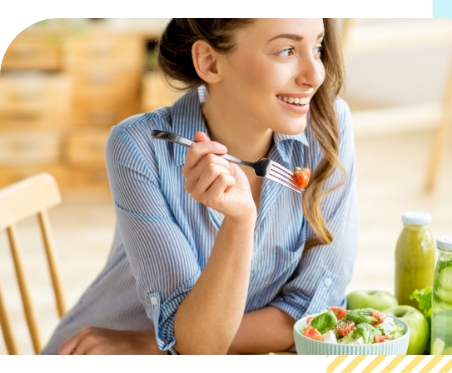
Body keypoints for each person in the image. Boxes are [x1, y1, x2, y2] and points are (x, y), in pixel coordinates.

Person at [42, 18, 358, 355]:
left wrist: (154, 343)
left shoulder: (327, 126)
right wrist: (239, 223)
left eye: (318, 48)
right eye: (286, 50)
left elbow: (314, 312)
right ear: (209, 62)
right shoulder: (138, 147)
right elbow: (199, 348)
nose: (315, 75)